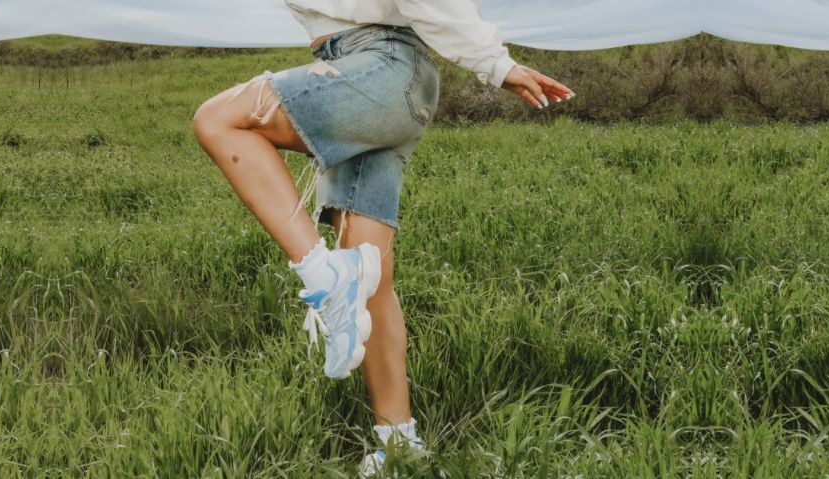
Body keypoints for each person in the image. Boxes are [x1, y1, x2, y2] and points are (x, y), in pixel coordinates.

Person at [192, 0, 574, 475]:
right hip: (376, 73)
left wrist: (496, 64)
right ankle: (398, 442)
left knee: (218, 120)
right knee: (370, 278)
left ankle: (320, 273)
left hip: (382, 68)